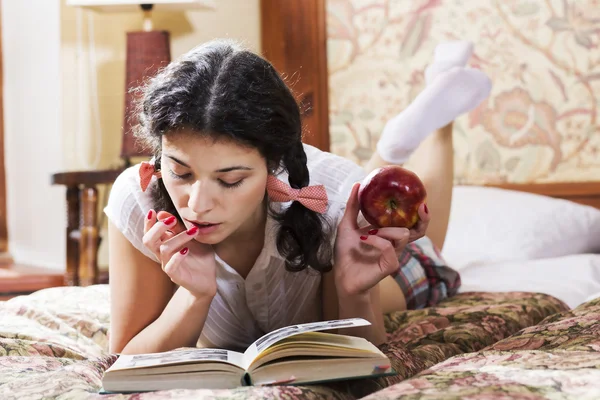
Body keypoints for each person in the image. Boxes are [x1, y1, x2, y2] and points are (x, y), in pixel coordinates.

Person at [104, 39, 492, 355]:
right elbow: (124, 357)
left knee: (429, 257)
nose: (198, 204)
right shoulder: (138, 200)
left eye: (231, 180)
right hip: (339, 195)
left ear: (274, 166)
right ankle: (396, 145)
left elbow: (361, 357)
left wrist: (354, 290)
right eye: (181, 173)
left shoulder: (327, 199)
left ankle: (438, 126)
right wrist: (193, 295)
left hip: (341, 210)